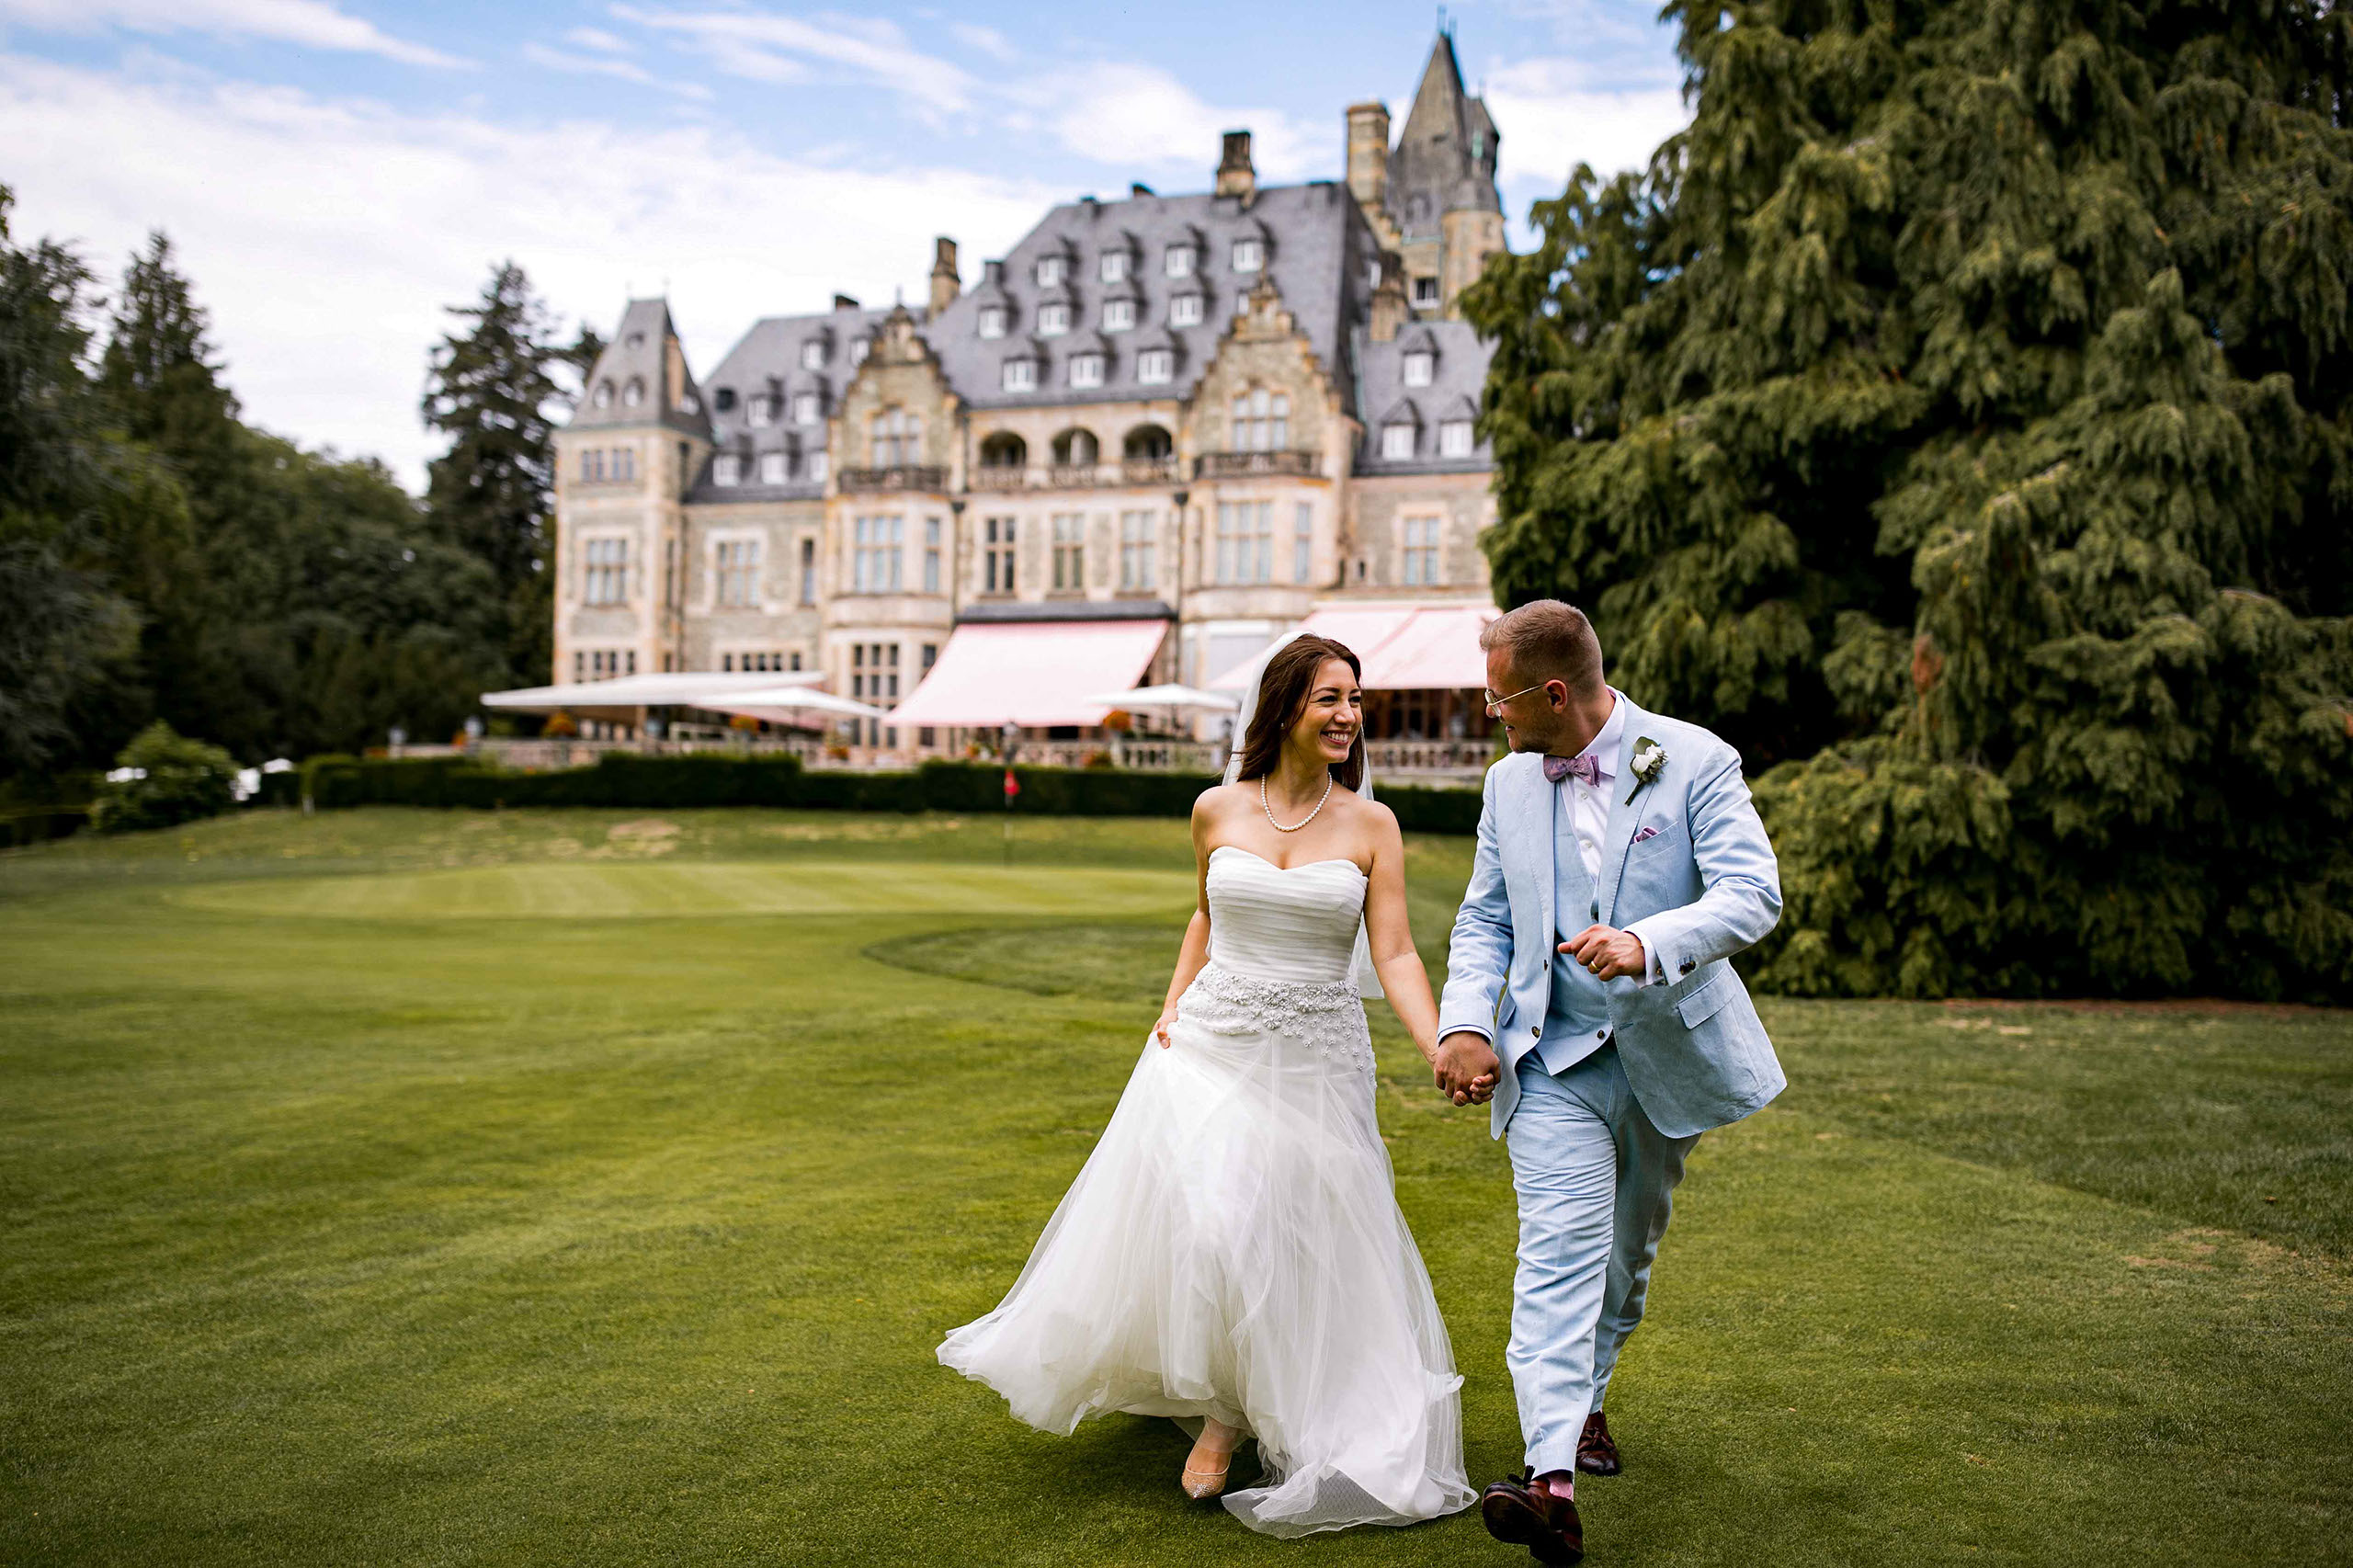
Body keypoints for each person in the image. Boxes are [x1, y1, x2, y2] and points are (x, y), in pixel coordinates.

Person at [938, 634, 1479, 1538]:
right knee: (1221, 1216)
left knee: (1285, 1225)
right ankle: (1222, 1406)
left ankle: (1232, 1411)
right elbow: (1205, 914)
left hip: (1315, 1054)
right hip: (1212, 1040)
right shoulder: (1215, 808)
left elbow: (1393, 951)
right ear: (1284, 709)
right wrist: (1169, 1006)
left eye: (1356, 698)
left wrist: (1436, 1042)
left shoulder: (1370, 825)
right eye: (1328, 698)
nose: (1348, 714)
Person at [1429, 600, 1785, 1566]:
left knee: (1625, 1258)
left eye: (1500, 697)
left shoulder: (1693, 758)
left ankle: (1586, 1402)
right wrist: (1465, 1021)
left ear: (1552, 691)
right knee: (1556, 1252)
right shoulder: (1506, 785)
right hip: (1550, 1059)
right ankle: (1549, 1480)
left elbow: (1752, 892)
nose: (1492, 715)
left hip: (1667, 1053)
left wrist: (1648, 941)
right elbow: (1483, 921)